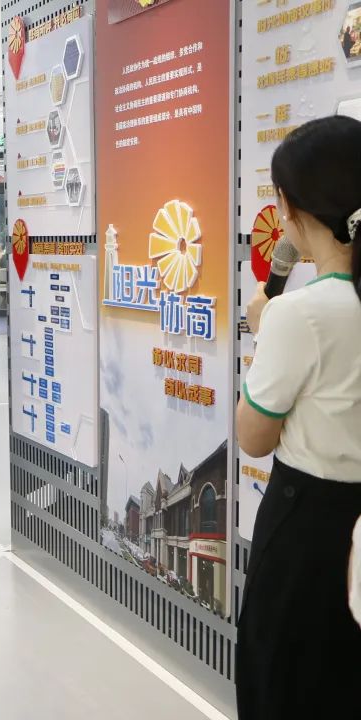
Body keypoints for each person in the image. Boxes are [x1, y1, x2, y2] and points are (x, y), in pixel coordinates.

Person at [235, 115, 361, 719]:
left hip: (311, 531)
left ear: (291, 207)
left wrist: (264, 332)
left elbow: (254, 436)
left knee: (289, 685)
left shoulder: (299, 315)